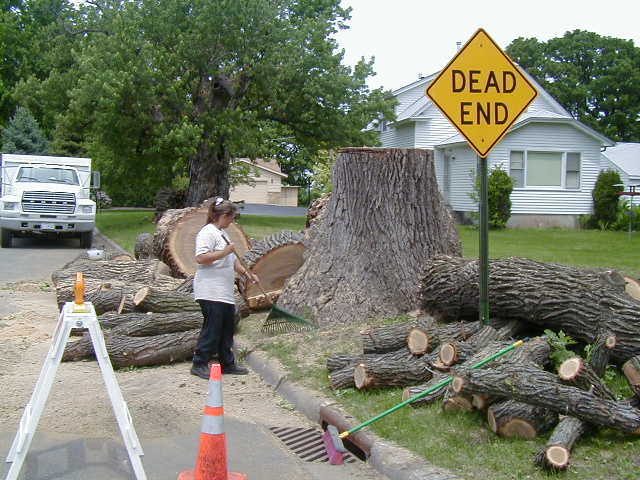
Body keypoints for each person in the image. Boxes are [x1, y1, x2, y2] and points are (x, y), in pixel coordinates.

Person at [190, 197, 258, 379]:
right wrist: (225, 252)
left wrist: (247, 274)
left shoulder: (223, 234)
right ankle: (199, 363)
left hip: (224, 291)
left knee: (227, 328)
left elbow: (233, 261)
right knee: (212, 328)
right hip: (210, 290)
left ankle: (227, 363)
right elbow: (201, 258)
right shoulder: (207, 232)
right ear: (222, 216)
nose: (232, 222)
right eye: (231, 218)